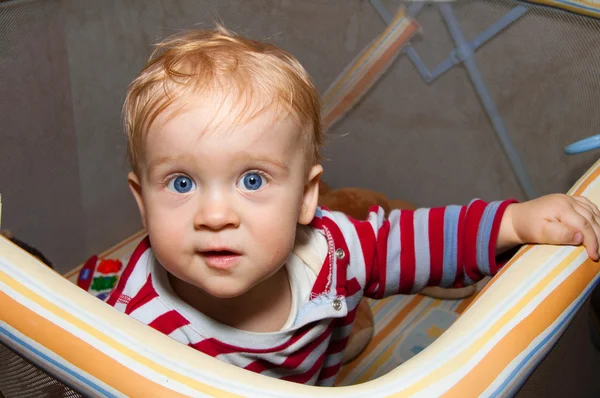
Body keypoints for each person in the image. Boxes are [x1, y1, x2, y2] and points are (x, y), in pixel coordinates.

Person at [106, 26, 600, 386]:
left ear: (306, 198)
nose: (214, 216)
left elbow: (416, 241)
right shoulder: (135, 327)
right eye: (181, 183)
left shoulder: (332, 251)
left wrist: (513, 221)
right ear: (142, 202)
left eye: (252, 179)